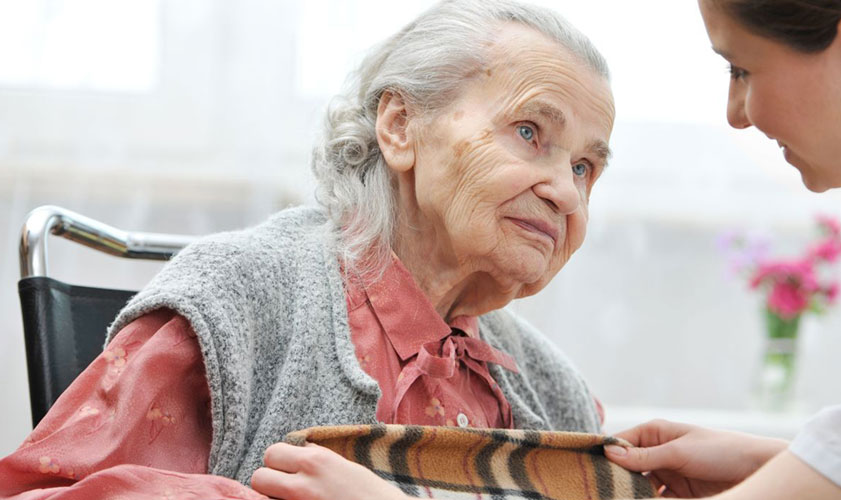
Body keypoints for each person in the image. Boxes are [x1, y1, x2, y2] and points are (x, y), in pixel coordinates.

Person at [241, 0, 841, 499]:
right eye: (530, 135)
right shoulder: (252, 301)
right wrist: (789, 459)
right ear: (398, 126)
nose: (737, 112)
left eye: (743, 68)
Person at [0, 0, 615, 498]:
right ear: (400, 126)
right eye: (529, 132)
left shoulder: (555, 393)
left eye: (586, 167)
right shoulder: (237, 303)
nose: (565, 191)